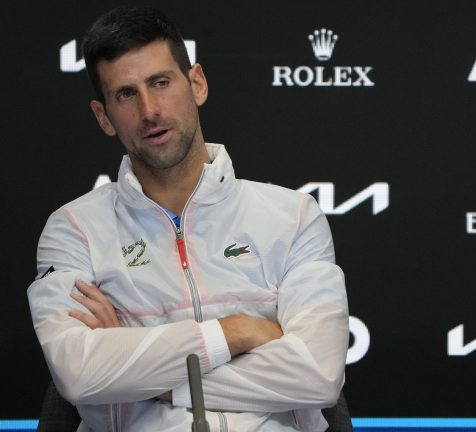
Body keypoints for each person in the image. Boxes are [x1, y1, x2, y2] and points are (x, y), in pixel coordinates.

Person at [27, 5, 349, 431]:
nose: (149, 110)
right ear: (103, 117)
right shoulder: (74, 230)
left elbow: (318, 377)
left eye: (160, 83)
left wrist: (147, 378)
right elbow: (80, 374)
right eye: (126, 94)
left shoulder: (293, 217)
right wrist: (237, 332)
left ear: (196, 84)